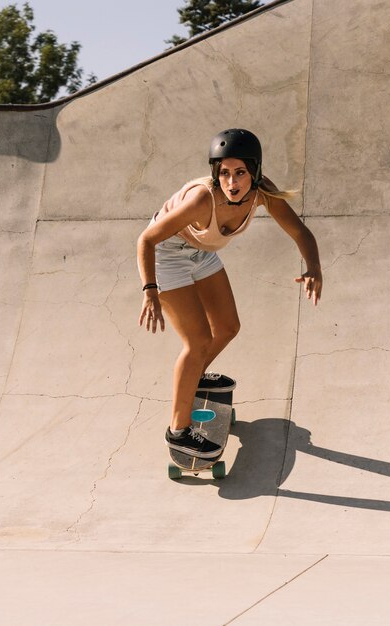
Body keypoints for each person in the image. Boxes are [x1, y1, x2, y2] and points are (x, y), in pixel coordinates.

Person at [137, 128, 322, 459]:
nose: (232, 183)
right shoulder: (200, 200)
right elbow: (147, 240)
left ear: (255, 172)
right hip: (166, 254)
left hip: (202, 252)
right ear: (215, 173)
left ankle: (194, 378)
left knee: (227, 327)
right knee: (197, 342)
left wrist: (314, 268)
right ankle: (178, 432)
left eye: (240, 173)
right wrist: (150, 289)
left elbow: (300, 232)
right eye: (224, 173)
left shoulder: (262, 195)